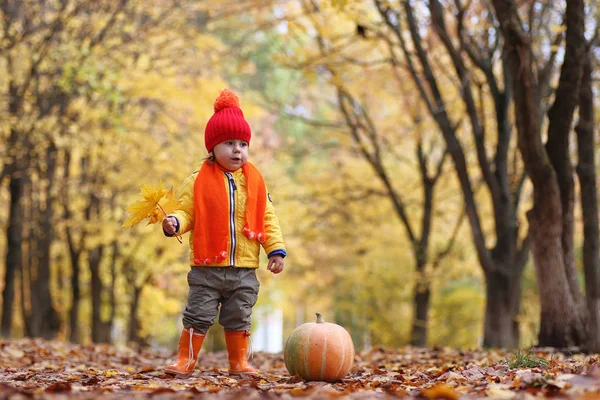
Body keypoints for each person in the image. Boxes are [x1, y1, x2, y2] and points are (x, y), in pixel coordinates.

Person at [161, 89, 286, 377]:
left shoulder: (255, 182)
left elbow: (268, 218)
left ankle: (239, 362)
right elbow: (186, 212)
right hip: (207, 266)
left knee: (239, 315)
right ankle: (185, 360)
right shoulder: (197, 181)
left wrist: (275, 250)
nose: (237, 150)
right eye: (229, 143)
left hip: (244, 268)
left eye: (243, 144)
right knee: (198, 314)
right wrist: (175, 223)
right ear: (213, 148)